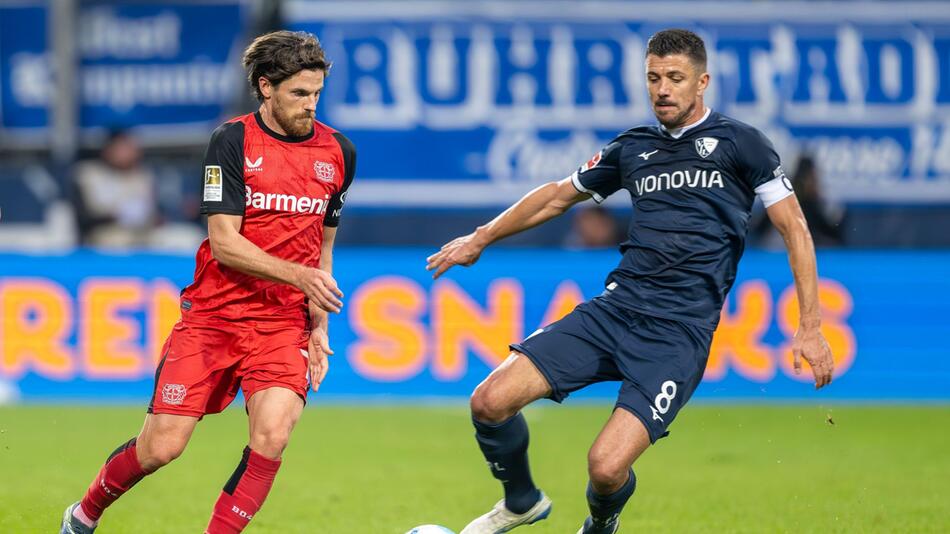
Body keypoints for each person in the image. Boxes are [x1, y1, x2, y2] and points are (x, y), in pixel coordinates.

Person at [426, 29, 834, 534]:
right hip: (613, 311)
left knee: (605, 467)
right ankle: (521, 502)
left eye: (675, 78)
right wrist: (481, 237)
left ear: (702, 82)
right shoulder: (632, 149)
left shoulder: (741, 144)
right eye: (654, 78)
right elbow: (557, 196)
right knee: (489, 401)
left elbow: (795, 228)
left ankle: (602, 523)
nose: (662, 89)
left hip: (677, 334)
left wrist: (810, 326)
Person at [60, 30, 356, 534]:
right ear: (266, 87)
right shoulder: (232, 141)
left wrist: (317, 325)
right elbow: (225, 243)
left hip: (282, 323)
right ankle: (84, 513)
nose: (311, 105)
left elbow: (321, 248)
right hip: (215, 318)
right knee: (162, 447)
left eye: (317, 93)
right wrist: (301, 276)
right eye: (299, 94)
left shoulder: (339, 153)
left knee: (273, 435)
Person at [72, 130, 158, 248]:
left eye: (130, 148)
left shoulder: (143, 176)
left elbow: (153, 214)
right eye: (121, 149)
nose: (127, 153)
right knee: (119, 241)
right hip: (104, 236)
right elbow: (83, 217)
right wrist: (117, 215)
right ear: (108, 150)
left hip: (141, 234)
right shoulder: (88, 174)